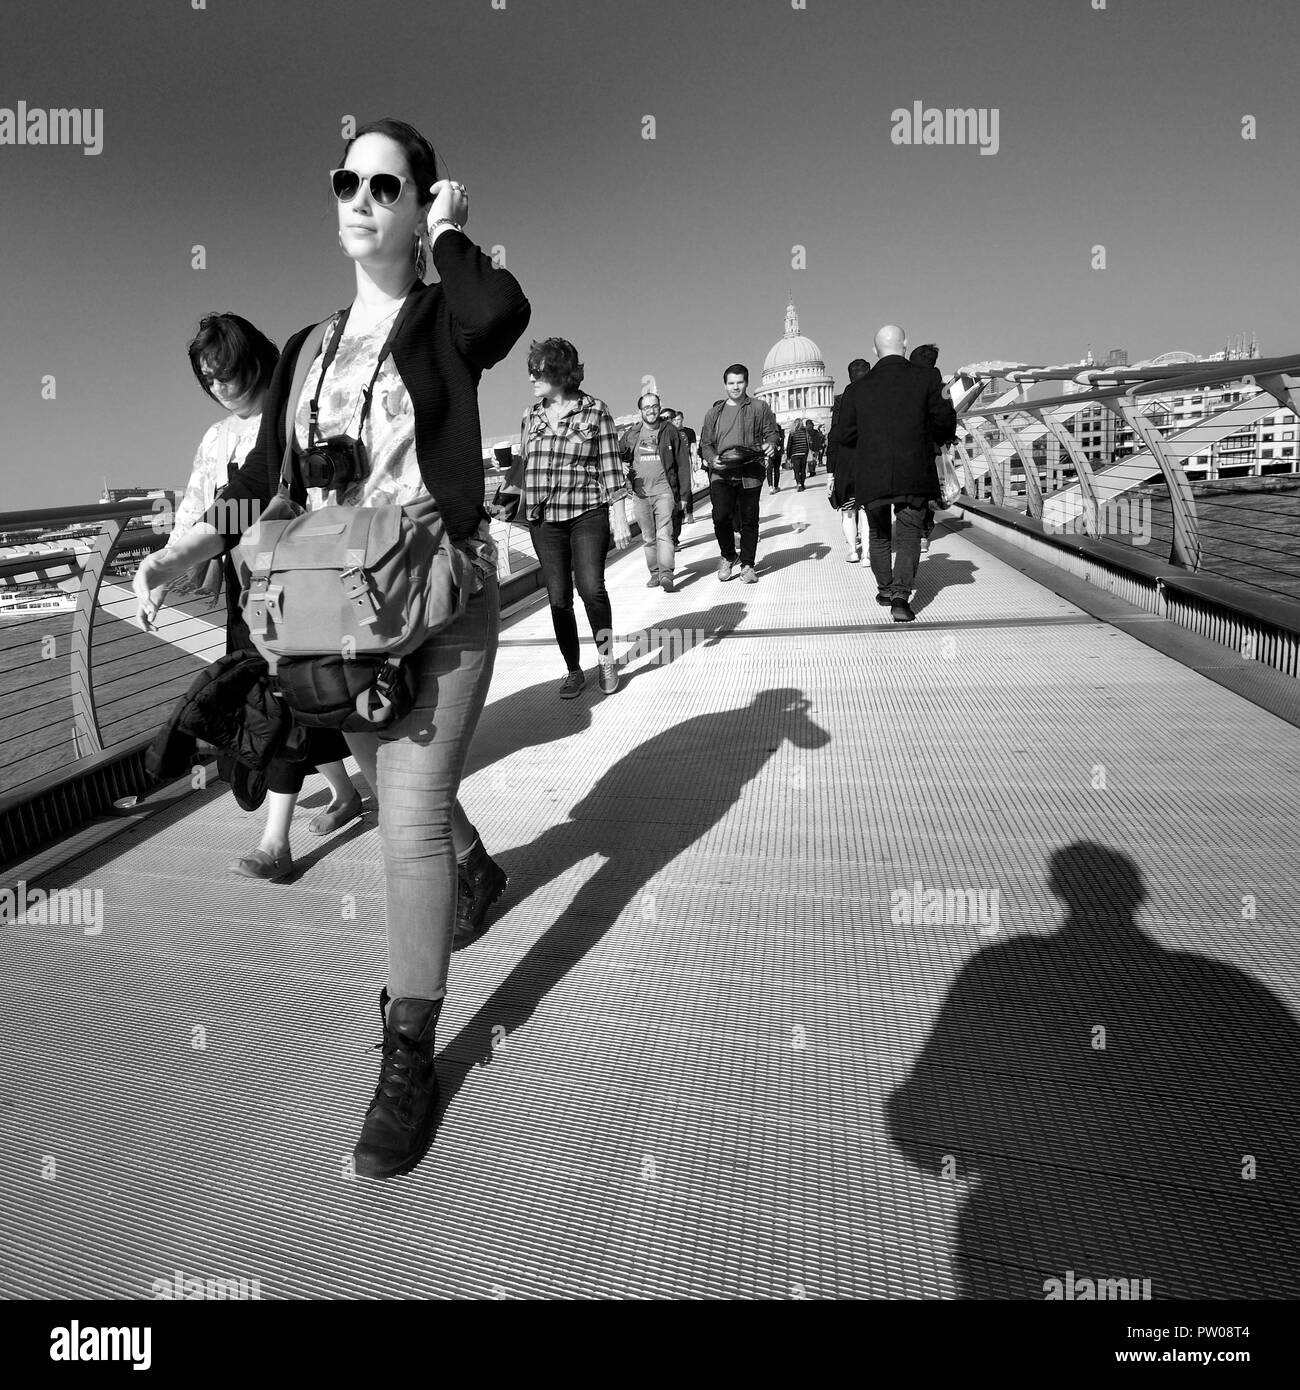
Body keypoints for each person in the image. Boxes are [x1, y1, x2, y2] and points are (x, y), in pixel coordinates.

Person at [133, 117, 531, 1179]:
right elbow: (261, 484)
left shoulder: (449, 308)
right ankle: (475, 876)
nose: (360, 198)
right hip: (332, 626)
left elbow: (504, 317)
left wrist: (452, 236)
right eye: (345, 181)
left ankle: (406, 1057)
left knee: (404, 819)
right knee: (399, 788)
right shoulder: (307, 348)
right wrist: (187, 554)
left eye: (385, 185)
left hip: (439, 606)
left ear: (419, 201)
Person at [150, 313, 363, 878]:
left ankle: (275, 841)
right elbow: (196, 512)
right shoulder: (215, 440)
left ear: (257, 360)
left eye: (227, 371)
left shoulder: (292, 415)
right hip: (249, 593)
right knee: (296, 699)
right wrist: (163, 569)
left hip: (300, 584)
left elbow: (265, 492)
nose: (220, 386)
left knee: (281, 700)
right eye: (208, 378)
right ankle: (344, 794)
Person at [519, 337, 632, 697]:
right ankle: (572, 670)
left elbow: (611, 465)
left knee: (591, 589)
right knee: (557, 597)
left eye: (539, 371)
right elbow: (522, 467)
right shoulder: (530, 415)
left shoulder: (595, 410)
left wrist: (618, 514)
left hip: (586, 512)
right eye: (532, 371)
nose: (532, 378)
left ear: (560, 373)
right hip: (544, 520)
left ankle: (606, 659)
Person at [835, 325, 956, 622]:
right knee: (909, 534)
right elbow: (943, 421)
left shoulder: (855, 389)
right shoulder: (927, 378)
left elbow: (845, 435)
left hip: (872, 472)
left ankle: (885, 588)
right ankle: (901, 598)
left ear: (875, 351)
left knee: (878, 533)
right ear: (905, 345)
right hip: (913, 467)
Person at [698, 364, 780, 583]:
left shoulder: (759, 407)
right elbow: (706, 443)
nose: (735, 387)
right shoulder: (713, 413)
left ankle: (747, 565)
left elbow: (772, 433)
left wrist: (771, 443)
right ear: (725, 385)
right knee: (720, 517)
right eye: (731, 383)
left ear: (746, 383)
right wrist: (711, 457)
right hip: (722, 473)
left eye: (740, 382)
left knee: (749, 521)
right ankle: (728, 555)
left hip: (749, 472)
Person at [619, 392, 690, 593]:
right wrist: (621, 465)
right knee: (648, 537)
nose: (651, 410)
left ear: (660, 407)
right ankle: (654, 572)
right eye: (646, 407)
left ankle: (667, 573)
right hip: (640, 494)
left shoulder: (670, 431)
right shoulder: (631, 435)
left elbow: (683, 463)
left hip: (664, 490)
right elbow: (617, 455)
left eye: (654, 406)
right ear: (640, 411)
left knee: (664, 533)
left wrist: (684, 494)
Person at [908, 343, 958, 552]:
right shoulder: (941, 387)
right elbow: (947, 415)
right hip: (934, 447)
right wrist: (947, 437)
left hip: (910, 446)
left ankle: (913, 529)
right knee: (931, 488)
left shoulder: (906, 385)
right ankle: (924, 532)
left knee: (913, 489)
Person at [827, 358, 872, 561]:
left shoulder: (841, 401)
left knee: (848, 510)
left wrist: (830, 474)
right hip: (870, 461)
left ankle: (853, 551)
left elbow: (834, 438)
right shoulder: (876, 397)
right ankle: (869, 555)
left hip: (846, 464)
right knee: (866, 510)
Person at [786, 417, 811, 490]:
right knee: (803, 469)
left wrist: (788, 456)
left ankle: (799, 484)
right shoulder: (805, 432)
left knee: (796, 470)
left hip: (795, 454)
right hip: (803, 453)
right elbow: (807, 443)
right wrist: (806, 452)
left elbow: (789, 445)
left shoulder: (792, 432)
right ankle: (802, 484)